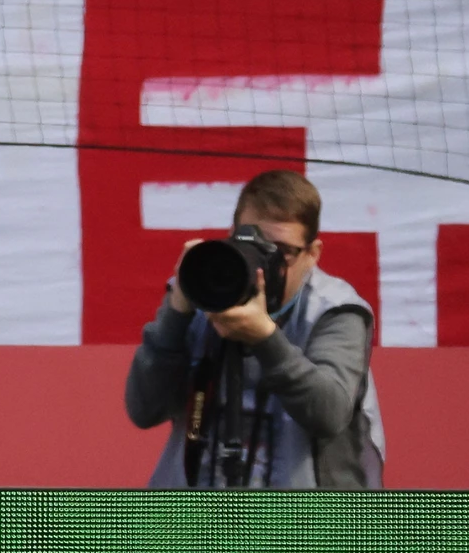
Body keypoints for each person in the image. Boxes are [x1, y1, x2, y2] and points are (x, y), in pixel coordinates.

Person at [125, 170, 383, 487]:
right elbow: (144, 409)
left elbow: (328, 413)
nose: (264, 265)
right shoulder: (202, 291)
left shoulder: (336, 310)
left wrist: (265, 338)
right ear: (233, 234)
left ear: (312, 254)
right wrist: (177, 312)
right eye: (254, 244)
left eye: (281, 253)